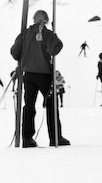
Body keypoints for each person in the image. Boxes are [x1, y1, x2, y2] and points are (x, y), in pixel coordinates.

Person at [11, 9, 70, 147]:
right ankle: (55, 137)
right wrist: (54, 35)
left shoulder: (24, 34)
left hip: (28, 74)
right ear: (45, 20)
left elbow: (15, 53)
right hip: (44, 74)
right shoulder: (47, 34)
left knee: (29, 105)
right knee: (51, 104)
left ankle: (27, 138)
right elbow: (55, 49)